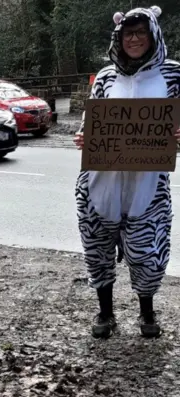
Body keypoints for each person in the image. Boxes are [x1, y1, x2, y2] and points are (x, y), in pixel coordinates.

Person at [73, 5, 180, 339]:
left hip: (147, 185)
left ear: (153, 35)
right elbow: (90, 122)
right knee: (98, 250)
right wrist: (83, 136)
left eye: (140, 32)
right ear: (118, 38)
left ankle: (146, 313)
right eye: (127, 33)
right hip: (100, 182)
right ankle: (105, 313)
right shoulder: (106, 77)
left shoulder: (173, 74)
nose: (134, 39)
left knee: (147, 253)